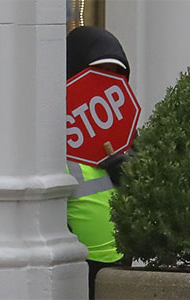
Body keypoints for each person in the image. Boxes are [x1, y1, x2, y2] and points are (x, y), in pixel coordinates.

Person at [66, 26, 132, 300]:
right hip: (72, 265)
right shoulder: (54, 130)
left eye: (115, 73)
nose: (107, 80)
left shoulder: (129, 131)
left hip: (120, 263)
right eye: (99, 71)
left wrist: (132, 175)